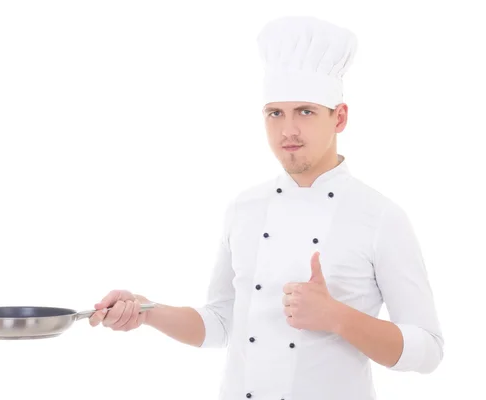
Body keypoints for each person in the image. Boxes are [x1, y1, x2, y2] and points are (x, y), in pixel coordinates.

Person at [88, 15, 444, 400]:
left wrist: (336, 316)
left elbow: (428, 350)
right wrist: (147, 310)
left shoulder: (380, 217)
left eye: (305, 111)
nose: (287, 130)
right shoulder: (244, 207)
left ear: (338, 117)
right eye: (275, 113)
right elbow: (221, 324)